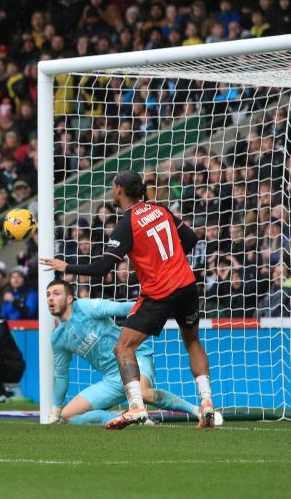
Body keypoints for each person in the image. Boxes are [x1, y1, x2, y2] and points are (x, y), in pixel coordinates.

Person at [40, 170, 216, 429]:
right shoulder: (161, 210)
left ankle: (136, 407)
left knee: (123, 348)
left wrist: (66, 266)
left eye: (113, 187)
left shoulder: (127, 222)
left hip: (160, 291)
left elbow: (102, 269)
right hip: (187, 285)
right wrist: (172, 261)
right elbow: (189, 238)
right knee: (191, 341)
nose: (112, 191)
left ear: (120, 190)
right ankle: (207, 402)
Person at [45, 280, 216, 425]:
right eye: (48, 295)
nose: (50, 298)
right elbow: (61, 375)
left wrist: (157, 310)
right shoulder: (58, 338)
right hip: (112, 378)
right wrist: (55, 410)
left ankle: (197, 411)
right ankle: (130, 420)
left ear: (69, 299)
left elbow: (121, 308)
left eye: (56, 293)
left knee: (143, 393)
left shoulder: (84, 307)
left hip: (135, 356)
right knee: (68, 416)